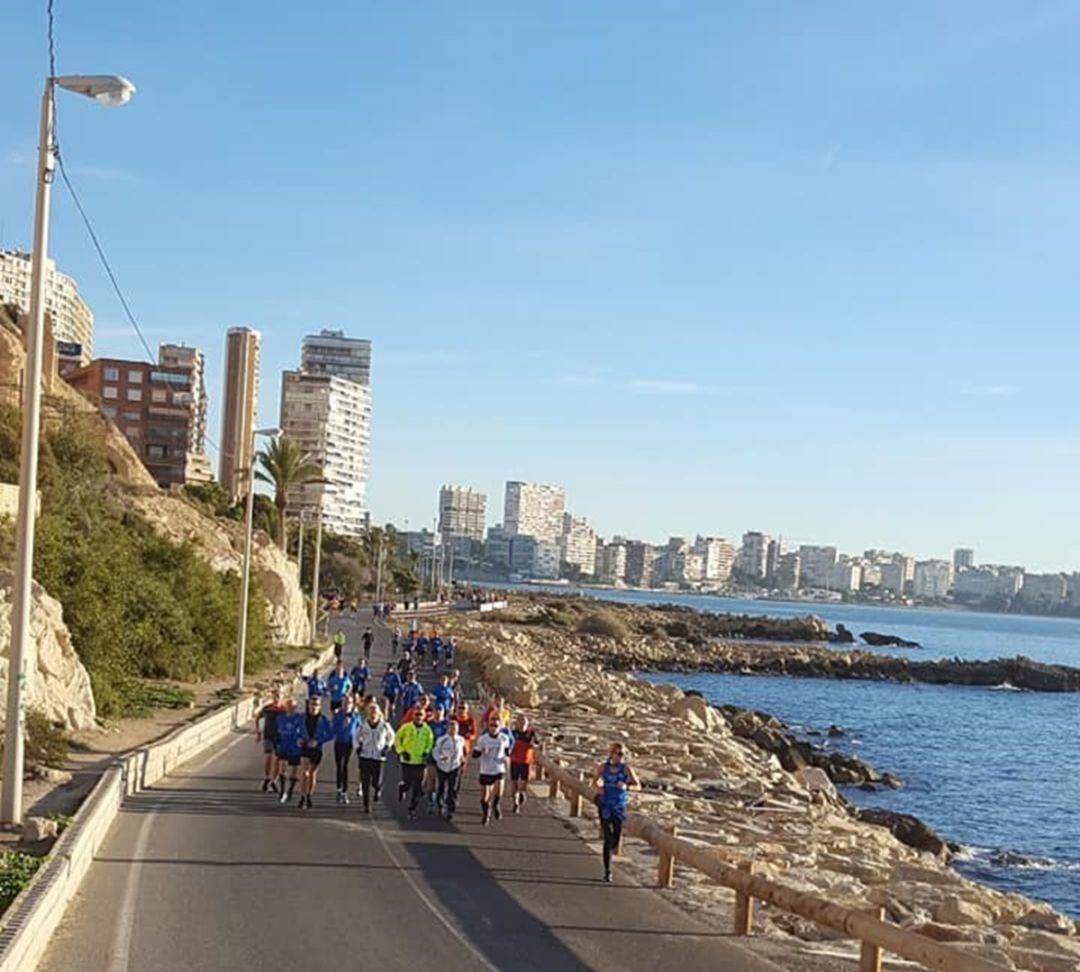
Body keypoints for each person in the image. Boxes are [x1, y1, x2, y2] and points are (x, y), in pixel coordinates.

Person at [593, 742, 640, 882]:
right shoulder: (603, 767)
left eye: (623, 754)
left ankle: (612, 849)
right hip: (605, 804)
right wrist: (598, 788)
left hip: (619, 806)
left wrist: (626, 786)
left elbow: (638, 785)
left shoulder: (626, 769)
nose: (621, 757)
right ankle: (607, 871)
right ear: (612, 754)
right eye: (619, 754)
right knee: (608, 837)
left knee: (616, 838)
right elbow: (594, 783)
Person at [394, 706, 434, 820]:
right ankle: (403, 788)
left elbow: (430, 743)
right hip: (407, 760)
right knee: (407, 782)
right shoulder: (406, 728)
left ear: (424, 716)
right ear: (413, 716)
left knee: (417, 786)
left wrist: (426, 752)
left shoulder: (427, 730)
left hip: (420, 762)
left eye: (421, 715)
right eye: (416, 714)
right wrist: (401, 751)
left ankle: (412, 809)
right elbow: (397, 739)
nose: (418, 717)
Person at [472, 714, 512, 825]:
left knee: (499, 789)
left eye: (496, 726)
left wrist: (507, 760)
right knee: (485, 795)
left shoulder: (504, 738)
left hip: (499, 768)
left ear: (500, 727)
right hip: (486, 769)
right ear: (488, 726)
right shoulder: (483, 739)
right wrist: (481, 752)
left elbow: (507, 752)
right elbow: (474, 755)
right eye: (491, 725)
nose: (493, 728)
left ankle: (496, 805)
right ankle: (486, 813)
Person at [356, 703, 395, 812]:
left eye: (375, 712)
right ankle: (366, 804)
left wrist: (387, 747)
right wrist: (358, 747)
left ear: (378, 714)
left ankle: (378, 788)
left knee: (376, 781)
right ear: (368, 713)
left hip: (379, 757)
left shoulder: (384, 726)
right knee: (365, 781)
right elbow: (356, 737)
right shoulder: (363, 725)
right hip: (365, 755)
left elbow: (392, 737)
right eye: (371, 712)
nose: (373, 715)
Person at [298, 696, 333, 810]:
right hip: (305, 747)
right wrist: (298, 739)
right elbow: (296, 730)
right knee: (305, 772)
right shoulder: (302, 717)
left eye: (316, 705)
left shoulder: (323, 720)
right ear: (308, 705)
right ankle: (302, 796)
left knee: (312, 774)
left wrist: (318, 741)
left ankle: (309, 795)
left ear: (320, 707)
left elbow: (330, 734)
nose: (314, 707)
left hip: (316, 749)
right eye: (312, 704)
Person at [433, 718, 465, 820]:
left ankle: (450, 809)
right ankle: (439, 803)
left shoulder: (461, 740)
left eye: (455, 728)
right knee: (441, 787)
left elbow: (462, 751)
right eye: (451, 728)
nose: (453, 730)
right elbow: (435, 752)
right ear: (447, 729)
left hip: (455, 767)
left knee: (453, 788)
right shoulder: (442, 740)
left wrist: (462, 758)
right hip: (442, 767)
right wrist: (441, 758)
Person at [254, 686, 286, 792]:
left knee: (278, 759)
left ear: (282, 696)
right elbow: (258, 717)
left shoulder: (284, 709)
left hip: (280, 737)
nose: (277, 697)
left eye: (279, 695)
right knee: (268, 757)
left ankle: (274, 780)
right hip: (268, 735)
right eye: (275, 695)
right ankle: (267, 778)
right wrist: (258, 732)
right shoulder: (267, 708)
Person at [330, 695, 360, 804]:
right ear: (342, 704)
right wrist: (342, 725)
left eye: (349, 703)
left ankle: (345, 792)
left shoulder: (355, 716)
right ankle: (339, 789)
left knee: (346, 766)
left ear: (352, 705)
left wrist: (360, 741)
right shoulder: (338, 715)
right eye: (345, 703)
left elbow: (359, 728)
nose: (347, 705)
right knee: (340, 765)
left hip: (349, 744)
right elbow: (333, 730)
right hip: (339, 742)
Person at [275, 699, 304, 804]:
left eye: (293, 706)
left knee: (294, 770)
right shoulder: (280, 718)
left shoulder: (299, 718)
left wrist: (301, 739)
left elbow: (304, 730)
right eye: (289, 706)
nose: (291, 708)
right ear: (286, 707)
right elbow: (277, 731)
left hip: (295, 747)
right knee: (282, 768)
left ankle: (290, 790)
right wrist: (276, 742)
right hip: (283, 746)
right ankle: (282, 791)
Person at [509, 714, 539, 813]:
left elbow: (537, 743)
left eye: (524, 722)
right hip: (515, 760)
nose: (522, 724)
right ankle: (515, 803)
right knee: (514, 783)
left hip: (526, 762)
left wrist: (534, 744)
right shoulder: (513, 733)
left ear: (527, 724)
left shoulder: (531, 733)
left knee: (524, 784)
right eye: (520, 721)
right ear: (516, 723)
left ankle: (522, 793)